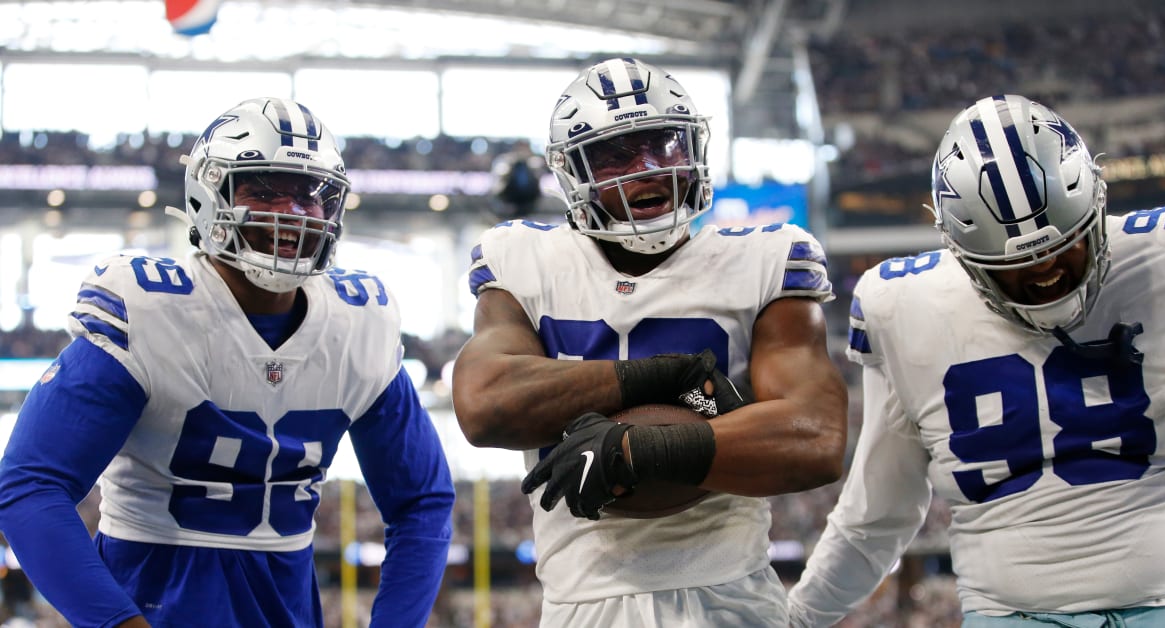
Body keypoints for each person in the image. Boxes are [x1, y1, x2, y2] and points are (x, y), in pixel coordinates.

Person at [0, 97, 455, 627]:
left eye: (311, 194)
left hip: (288, 607)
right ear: (207, 194)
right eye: (264, 190)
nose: (293, 211)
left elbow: (421, 503)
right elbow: (30, 485)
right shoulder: (150, 309)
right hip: (154, 596)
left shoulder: (359, 324)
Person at [452, 57, 848, 626]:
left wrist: (638, 449)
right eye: (616, 154)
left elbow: (817, 436)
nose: (647, 168)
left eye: (663, 144)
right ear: (574, 172)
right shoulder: (526, 260)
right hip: (582, 600)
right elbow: (483, 405)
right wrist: (660, 377)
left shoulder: (765, 256)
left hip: (731, 595)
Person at [788, 94, 1165, 627]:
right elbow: (875, 518)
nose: (1049, 270)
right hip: (1009, 615)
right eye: (1019, 264)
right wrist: (793, 619)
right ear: (963, 258)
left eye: (1066, 246)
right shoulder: (907, 310)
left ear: (1098, 207)